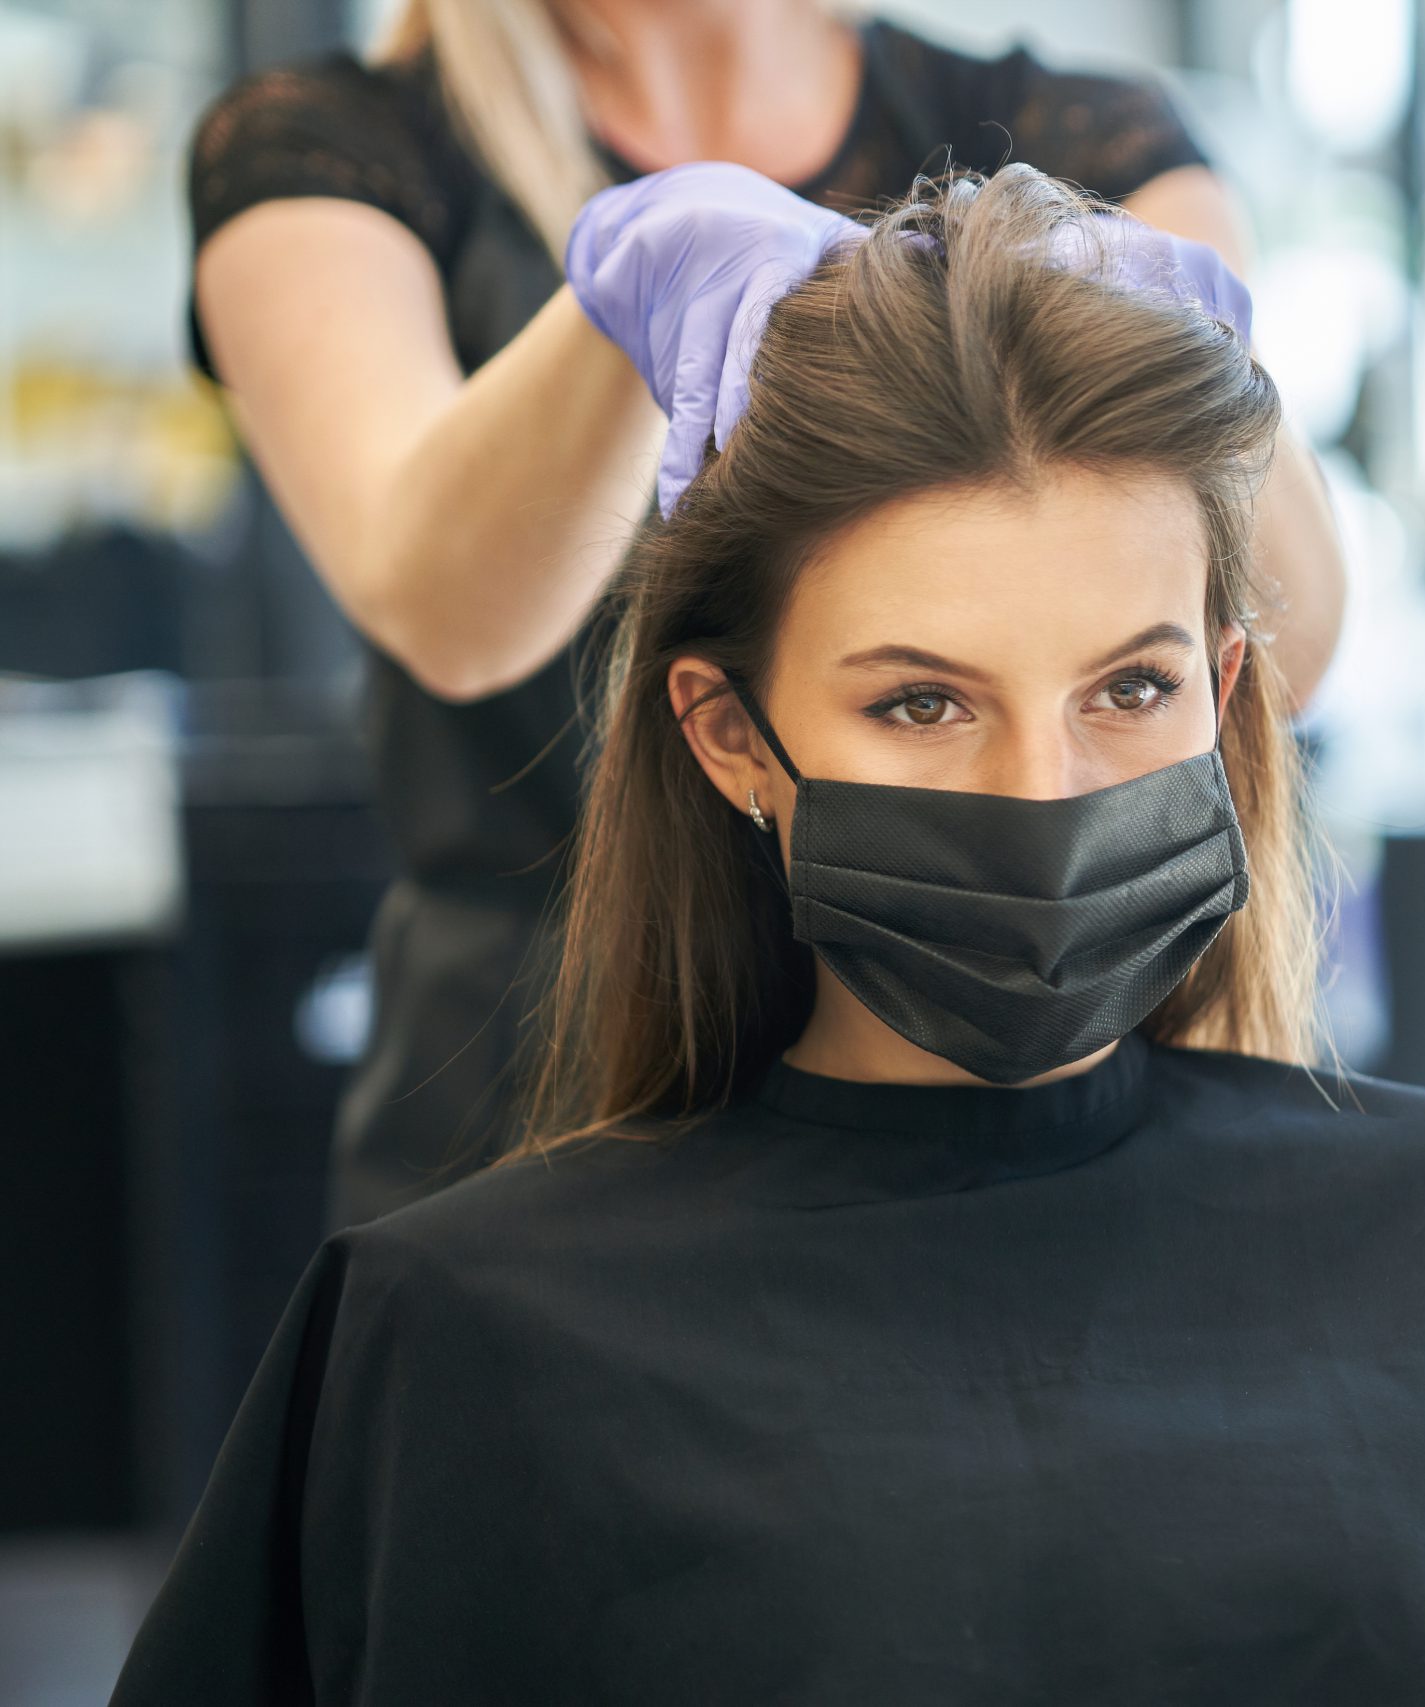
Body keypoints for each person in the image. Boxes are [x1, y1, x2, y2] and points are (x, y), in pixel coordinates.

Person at [114, 166, 1425, 1706]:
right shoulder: (472, 1332)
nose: (1046, 788)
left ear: (1227, 688)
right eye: (924, 704)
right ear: (730, 736)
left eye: (1132, 685)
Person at [187, 0, 1348, 1226]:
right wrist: (619, 311)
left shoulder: (1084, 137)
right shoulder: (332, 151)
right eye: (920, 699)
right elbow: (443, 614)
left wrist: (1211, 374)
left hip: (1057, 1061)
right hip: (546, 1075)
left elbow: (1288, 646)